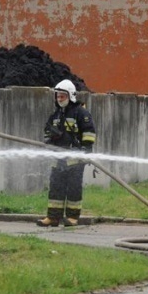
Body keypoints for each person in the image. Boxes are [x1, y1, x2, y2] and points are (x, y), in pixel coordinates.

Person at [37, 79, 96, 227]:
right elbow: (46, 132)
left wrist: (84, 149)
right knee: (55, 188)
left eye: (62, 96)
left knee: (73, 189)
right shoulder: (56, 115)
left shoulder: (81, 113)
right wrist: (51, 139)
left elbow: (89, 133)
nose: (59, 98)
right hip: (58, 159)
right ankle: (53, 217)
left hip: (75, 160)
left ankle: (72, 217)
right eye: (57, 96)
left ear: (70, 96)